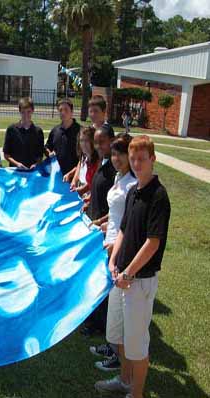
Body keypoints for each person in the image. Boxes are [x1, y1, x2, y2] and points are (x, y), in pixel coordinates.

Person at [95, 136, 171, 398]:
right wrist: (114, 262)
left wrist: (129, 272)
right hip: (121, 276)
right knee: (119, 335)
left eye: (142, 159)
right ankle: (124, 380)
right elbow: (123, 231)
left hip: (139, 282)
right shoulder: (133, 191)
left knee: (137, 344)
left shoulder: (158, 196)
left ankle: (135, 394)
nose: (137, 164)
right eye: (134, 159)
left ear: (153, 159)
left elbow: (152, 242)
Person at [90, 133, 138, 373]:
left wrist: (115, 244)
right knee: (110, 300)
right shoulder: (119, 177)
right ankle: (111, 345)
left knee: (117, 303)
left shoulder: (132, 184)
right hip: (108, 241)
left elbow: (130, 222)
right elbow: (116, 213)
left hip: (120, 248)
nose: (117, 157)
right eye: (115, 153)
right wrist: (102, 222)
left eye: (121, 153)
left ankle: (118, 357)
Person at [80, 125, 117, 337]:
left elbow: (115, 206)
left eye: (102, 141)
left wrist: (99, 221)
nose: (99, 146)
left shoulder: (114, 169)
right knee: (93, 275)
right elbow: (98, 191)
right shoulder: (101, 162)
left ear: (111, 141)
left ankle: (100, 323)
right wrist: (88, 201)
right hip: (94, 224)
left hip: (104, 230)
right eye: (97, 142)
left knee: (102, 277)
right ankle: (93, 318)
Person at [3, 97, 45, 169]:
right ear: (19, 111)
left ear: (32, 111)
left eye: (28, 111)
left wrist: (36, 164)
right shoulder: (11, 130)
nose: (26, 115)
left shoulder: (38, 132)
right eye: (23, 112)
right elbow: (6, 154)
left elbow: (40, 156)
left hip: (32, 173)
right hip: (16, 171)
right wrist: (17, 164)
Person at [46, 98, 80, 176]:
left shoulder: (80, 131)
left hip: (74, 177)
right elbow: (47, 147)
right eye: (60, 110)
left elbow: (84, 158)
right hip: (56, 175)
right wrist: (49, 153)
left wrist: (72, 174)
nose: (63, 112)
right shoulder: (55, 130)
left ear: (72, 112)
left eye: (66, 110)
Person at [69, 127, 99, 197]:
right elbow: (79, 166)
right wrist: (74, 181)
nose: (83, 144)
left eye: (87, 140)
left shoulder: (97, 161)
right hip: (79, 189)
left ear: (93, 141)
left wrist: (82, 189)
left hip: (89, 194)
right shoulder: (84, 156)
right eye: (81, 140)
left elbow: (94, 181)